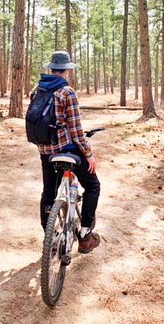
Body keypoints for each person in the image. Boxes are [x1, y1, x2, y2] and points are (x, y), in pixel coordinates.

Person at [30, 51, 100, 254]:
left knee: (48, 193)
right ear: (67, 69)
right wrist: (88, 154)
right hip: (67, 152)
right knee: (93, 186)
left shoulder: (37, 90)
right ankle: (85, 235)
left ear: (51, 68)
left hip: (45, 152)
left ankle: (49, 238)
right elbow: (76, 130)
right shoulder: (67, 92)